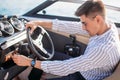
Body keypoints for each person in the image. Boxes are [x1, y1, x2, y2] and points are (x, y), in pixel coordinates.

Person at [12, 0, 120, 80]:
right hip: (84, 67)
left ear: (98, 19)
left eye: (84, 23)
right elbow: (71, 26)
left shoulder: (104, 49)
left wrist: (30, 62)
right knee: (42, 53)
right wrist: (38, 23)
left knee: (39, 60)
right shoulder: (108, 25)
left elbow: (66, 67)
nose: (82, 27)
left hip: (84, 77)